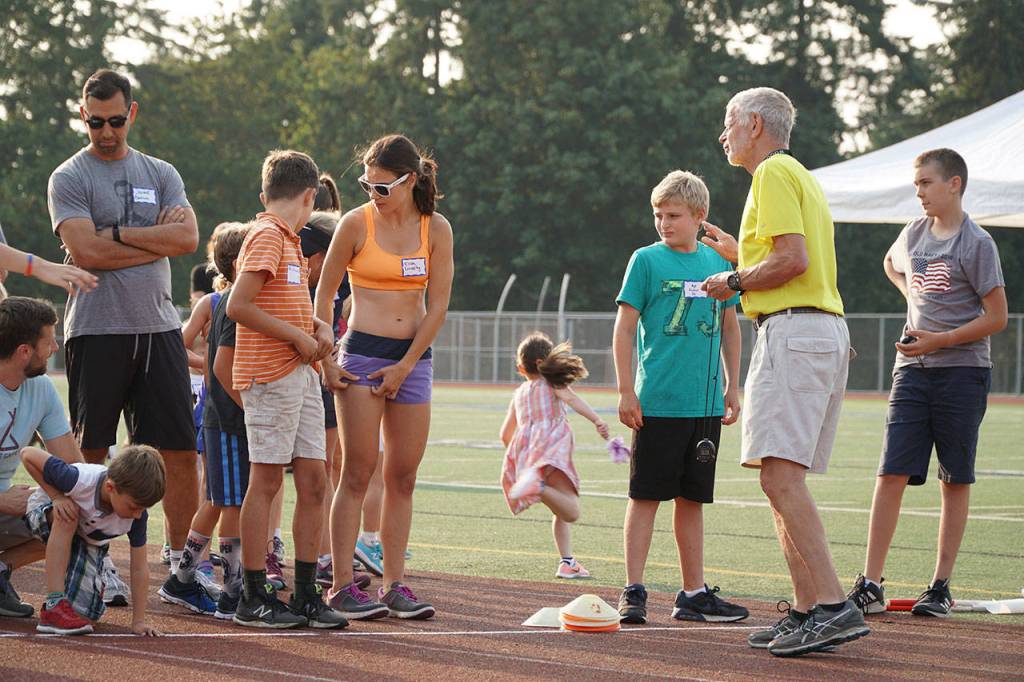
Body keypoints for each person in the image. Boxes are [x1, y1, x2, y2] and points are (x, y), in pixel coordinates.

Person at [701, 87, 868, 657]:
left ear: (752, 124)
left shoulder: (771, 175)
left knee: (780, 479)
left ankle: (832, 606)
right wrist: (738, 259)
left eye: (728, 124)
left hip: (794, 333)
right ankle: (804, 611)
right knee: (779, 477)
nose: (723, 135)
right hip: (815, 331)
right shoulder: (796, 173)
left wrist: (735, 281)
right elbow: (797, 261)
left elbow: (791, 260)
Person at [47, 68, 200, 602]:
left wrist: (115, 233)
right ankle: (98, 565)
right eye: (95, 122)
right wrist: (153, 241)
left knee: (179, 450)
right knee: (93, 451)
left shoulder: (160, 172)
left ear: (131, 113)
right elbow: (85, 253)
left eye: (115, 120)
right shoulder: (69, 177)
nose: (106, 131)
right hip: (96, 330)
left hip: (159, 329)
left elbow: (188, 238)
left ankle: (183, 568)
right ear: (82, 114)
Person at [846, 148, 1007, 618]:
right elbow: (892, 264)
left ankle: (939, 586)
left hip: (962, 372)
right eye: (916, 184)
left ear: (954, 184)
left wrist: (941, 339)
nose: (918, 192)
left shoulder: (977, 243)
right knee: (890, 472)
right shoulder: (912, 233)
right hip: (912, 373)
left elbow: (996, 317)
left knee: (953, 478)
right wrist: (910, 293)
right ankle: (870, 582)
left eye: (926, 183)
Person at [316, 134, 453, 621]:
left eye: (381, 186)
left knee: (403, 476)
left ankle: (395, 584)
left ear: (409, 180)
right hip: (362, 355)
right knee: (356, 472)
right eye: (366, 184)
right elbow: (326, 294)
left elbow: (437, 307)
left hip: (412, 359)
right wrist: (324, 354)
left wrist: (406, 364)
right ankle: (341, 587)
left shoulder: (435, 228)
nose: (371, 193)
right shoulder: (355, 223)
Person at [612, 170, 747, 626]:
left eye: (673, 215)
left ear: (699, 216)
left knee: (693, 500)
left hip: (705, 405)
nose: (663, 223)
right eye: (658, 214)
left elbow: (731, 326)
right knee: (645, 495)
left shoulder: (716, 261)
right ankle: (633, 589)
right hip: (660, 402)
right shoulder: (646, 260)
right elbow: (625, 327)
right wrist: (626, 389)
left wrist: (734, 384)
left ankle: (693, 593)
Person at [226, 149, 346, 629]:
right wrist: (298, 336)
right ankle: (253, 595)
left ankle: (304, 593)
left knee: (315, 480)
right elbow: (238, 305)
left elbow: (283, 302)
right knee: (268, 479)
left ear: (266, 193)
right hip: (272, 375)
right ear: (310, 195)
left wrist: (315, 325)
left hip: (299, 375)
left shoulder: (291, 241)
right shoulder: (268, 234)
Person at [159, 223, 251, 618]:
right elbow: (177, 344)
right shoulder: (217, 303)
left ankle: (180, 578)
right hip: (226, 412)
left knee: (216, 499)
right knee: (228, 501)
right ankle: (233, 589)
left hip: (227, 409)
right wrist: (206, 366)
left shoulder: (247, 302)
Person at [0, 298, 86, 619]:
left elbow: (72, 466)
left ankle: (0, 570)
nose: (54, 347)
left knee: (72, 513)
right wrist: (2, 500)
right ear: (24, 351)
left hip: (8, 502)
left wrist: (100, 494)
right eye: (48, 341)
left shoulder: (42, 389)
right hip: (3, 501)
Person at [21, 444, 165, 636]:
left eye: (143, 509)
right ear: (110, 487)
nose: (138, 515)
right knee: (69, 514)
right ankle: (54, 603)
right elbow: (28, 454)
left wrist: (138, 621)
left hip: (85, 539)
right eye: (133, 507)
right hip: (47, 511)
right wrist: (57, 497)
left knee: (84, 616)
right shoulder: (77, 479)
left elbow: (139, 568)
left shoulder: (137, 517)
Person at [500, 332, 609, 579]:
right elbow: (571, 398)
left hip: (529, 457)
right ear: (543, 362)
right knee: (571, 511)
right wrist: (597, 420)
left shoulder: (519, 393)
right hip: (552, 451)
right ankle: (537, 487)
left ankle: (567, 561)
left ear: (522, 366)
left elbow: (505, 434)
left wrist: (520, 460)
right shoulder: (553, 384)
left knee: (560, 509)